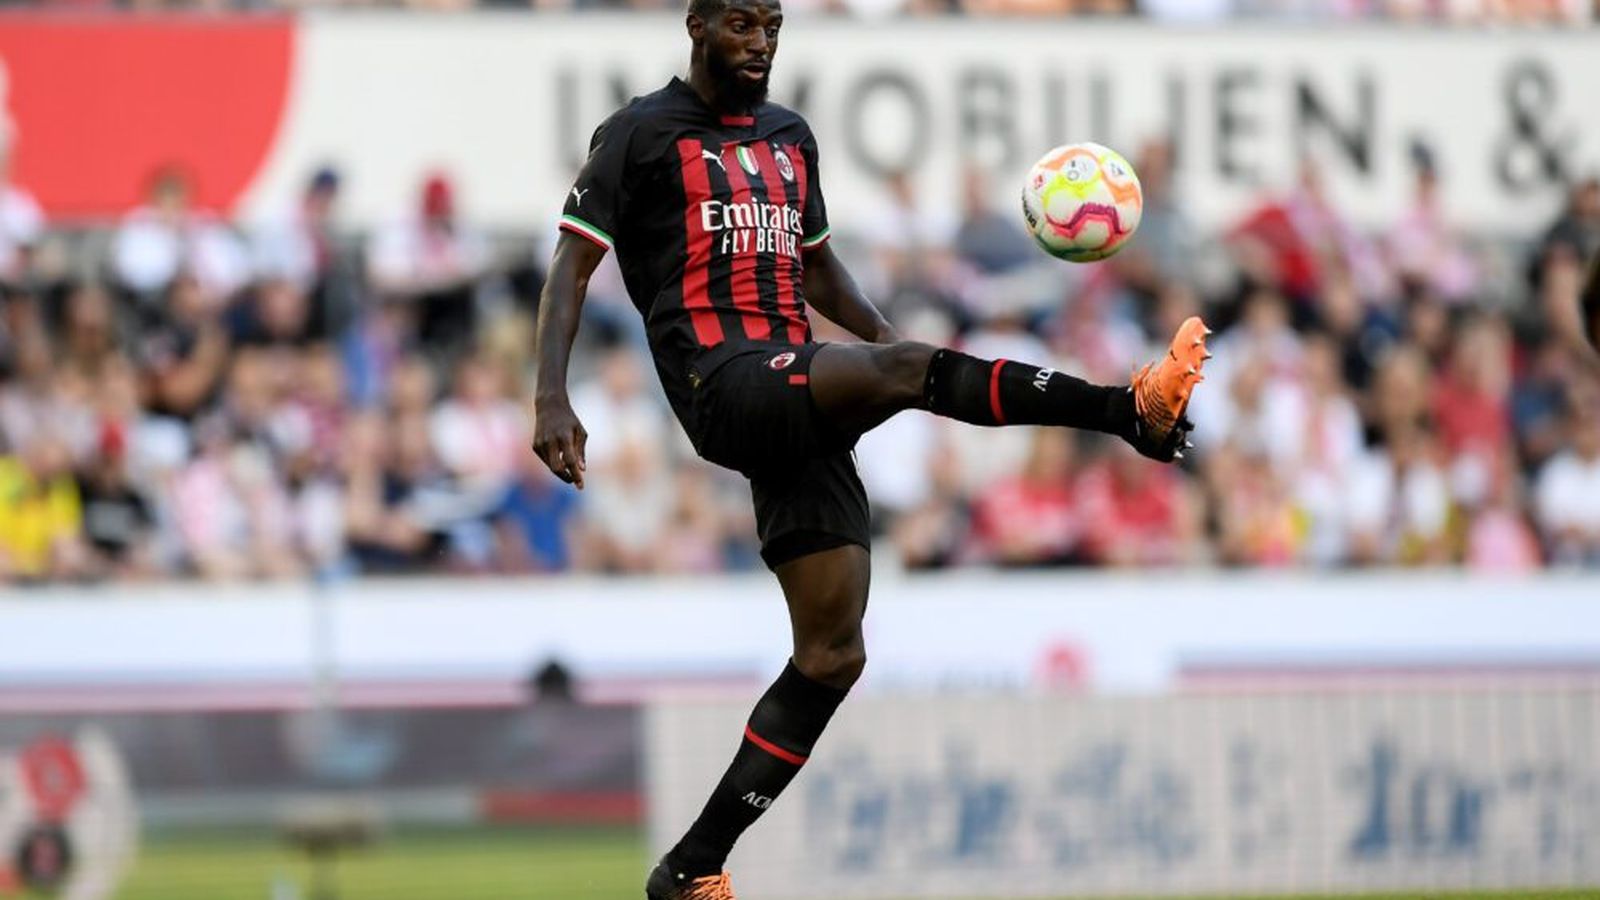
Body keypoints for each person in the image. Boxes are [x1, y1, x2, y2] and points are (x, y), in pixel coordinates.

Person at [530, 0, 1210, 895]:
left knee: (832, 653)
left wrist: (893, 351)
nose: (761, 40)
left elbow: (814, 266)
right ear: (697, 26)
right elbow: (571, 267)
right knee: (908, 375)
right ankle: (1132, 411)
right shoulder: (638, 134)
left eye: (772, 24)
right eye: (741, 23)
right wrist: (550, 395)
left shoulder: (789, 137)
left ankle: (691, 870)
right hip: (721, 379)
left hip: (791, 381)